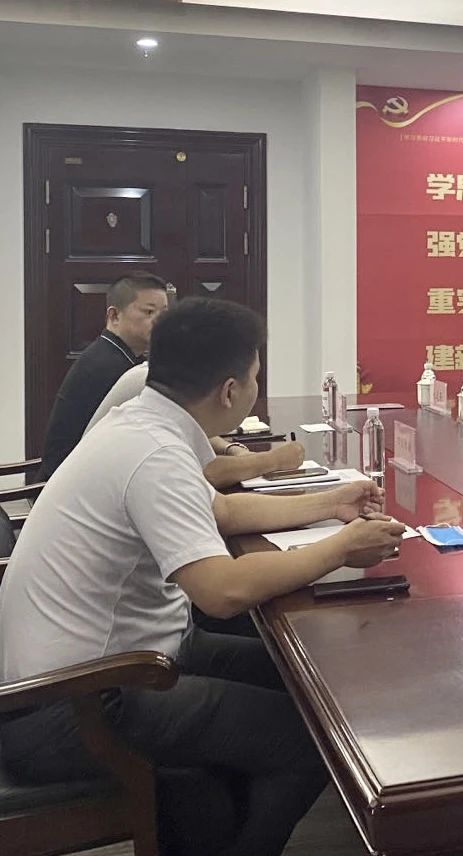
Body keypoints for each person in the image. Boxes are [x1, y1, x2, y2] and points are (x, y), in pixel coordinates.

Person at [0, 297, 407, 856]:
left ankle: (214, 824)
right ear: (230, 391)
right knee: (308, 740)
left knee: (307, 683)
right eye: (256, 376)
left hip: (125, 659)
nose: (257, 387)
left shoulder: (143, 424)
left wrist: (331, 503)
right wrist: (341, 548)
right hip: (75, 701)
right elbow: (223, 590)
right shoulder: (154, 454)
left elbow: (223, 512)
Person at [86, 361, 307, 489]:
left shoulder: (163, 389)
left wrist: (230, 448)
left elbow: (222, 509)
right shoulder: (149, 386)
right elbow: (208, 473)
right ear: (229, 390)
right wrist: (274, 460)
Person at [39, 272, 168, 478]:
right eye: (149, 312)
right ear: (114, 316)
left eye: (164, 313)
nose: (160, 322)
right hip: (71, 481)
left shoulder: (117, 354)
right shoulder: (109, 365)